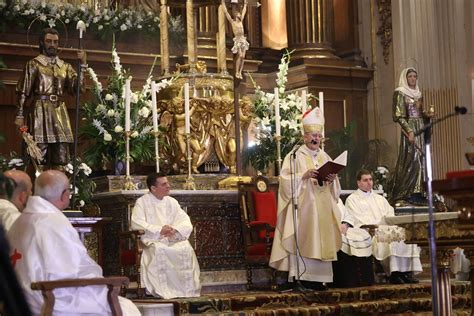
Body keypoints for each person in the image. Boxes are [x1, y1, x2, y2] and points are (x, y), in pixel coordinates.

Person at [8, 170, 140, 315]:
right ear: (64, 195)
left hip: (20, 298)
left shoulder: (19, 221)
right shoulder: (53, 222)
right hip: (48, 301)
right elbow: (76, 269)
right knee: (126, 308)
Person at [269, 107, 342, 290]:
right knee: (306, 238)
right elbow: (285, 180)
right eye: (312, 135)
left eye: (318, 135)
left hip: (323, 206)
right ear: (305, 137)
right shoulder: (294, 156)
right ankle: (303, 277)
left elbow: (335, 189)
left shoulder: (325, 156)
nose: (316, 139)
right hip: (304, 209)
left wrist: (332, 180)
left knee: (322, 240)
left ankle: (320, 279)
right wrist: (303, 175)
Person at [15, 28, 87, 169]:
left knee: (61, 157)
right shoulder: (34, 64)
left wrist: (83, 65)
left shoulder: (65, 67)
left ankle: (59, 189)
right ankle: (39, 188)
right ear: (42, 43)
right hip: (39, 112)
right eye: (49, 41)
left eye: (55, 42)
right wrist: (19, 115)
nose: (52, 45)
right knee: (38, 155)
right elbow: (23, 91)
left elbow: (78, 89)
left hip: (60, 112)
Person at [131, 172, 201, 299]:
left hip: (171, 238)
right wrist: (160, 230)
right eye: (164, 184)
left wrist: (175, 229)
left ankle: (184, 291)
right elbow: (137, 223)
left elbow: (185, 221)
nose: (169, 186)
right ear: (153, 188)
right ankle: (162, 290)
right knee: (159, 249)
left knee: (185, 247)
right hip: (153, 240)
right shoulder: (142, 202)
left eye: (167, 183)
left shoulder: (172, 202)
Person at [345, 169, 422, 284]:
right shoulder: (352, 199)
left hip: (386, 228)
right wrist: (377, 226)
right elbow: (356, 220)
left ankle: (406, 272)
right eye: (365, 180)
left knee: (405, 236)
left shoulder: (380, 198)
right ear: (358, 183)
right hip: (371, 232)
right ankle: (394, 273)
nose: (369, 182)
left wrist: (389, 224)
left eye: (370, 179)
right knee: (391, 239)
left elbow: (390, 214)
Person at [388, 68, 434, 204]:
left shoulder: (419, 94)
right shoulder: (400, 92)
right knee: (412, 160)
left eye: (415, 76)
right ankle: (408, 192)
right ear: (405, 78)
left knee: (422, 159)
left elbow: (420, 112)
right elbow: (398, 116)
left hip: (420, 128)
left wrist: (427, 116)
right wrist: (409, 131)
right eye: (410, 76)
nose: (413, 79)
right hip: (410, 130)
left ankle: (420, 192)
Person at [332, 199, 374, 288]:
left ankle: (364, 280)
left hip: (344, 228)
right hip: (332, 229)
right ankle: (347, 280)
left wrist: (345, 224)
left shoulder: (337, 199)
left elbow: (348, 216)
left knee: (363, 235)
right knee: (343, 239)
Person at [222, 0, 249, 79]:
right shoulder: (233, 22)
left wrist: (245, 4)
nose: (240, 14)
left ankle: (240, 72)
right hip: (237, 40)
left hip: (243, 39)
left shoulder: (241, 21)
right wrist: (223, 3)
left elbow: (244, 11)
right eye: (238, 13)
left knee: (243, 56)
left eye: (240, 14)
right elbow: (226, 13)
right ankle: (236, 71)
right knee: (240, 55)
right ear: (236, 15)